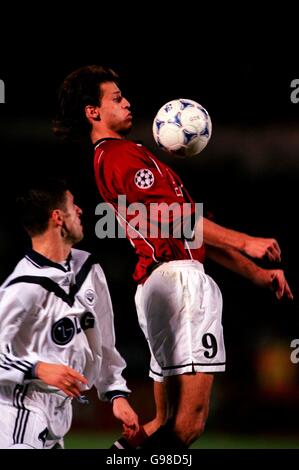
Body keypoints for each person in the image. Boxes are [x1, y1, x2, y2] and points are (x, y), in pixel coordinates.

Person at [53, 66, 293, 449]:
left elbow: (192, 234)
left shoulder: (128, 156)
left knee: (160, 423)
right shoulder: (119, 156)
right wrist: (247, 240)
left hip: (163, 280)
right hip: (180, 284)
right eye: (116, 98)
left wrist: (257, 275)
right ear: (92, 112)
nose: (128, 102)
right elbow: (175, 218)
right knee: (187, 428)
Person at [0, 178, 139, 449]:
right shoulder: (22, 288)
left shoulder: (88, 268)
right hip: (18, 412)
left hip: (59, 414)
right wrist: (37, 369)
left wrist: (116, 394)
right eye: (73, 205)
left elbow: (104, 342)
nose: (80, 211)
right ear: (57, 218)